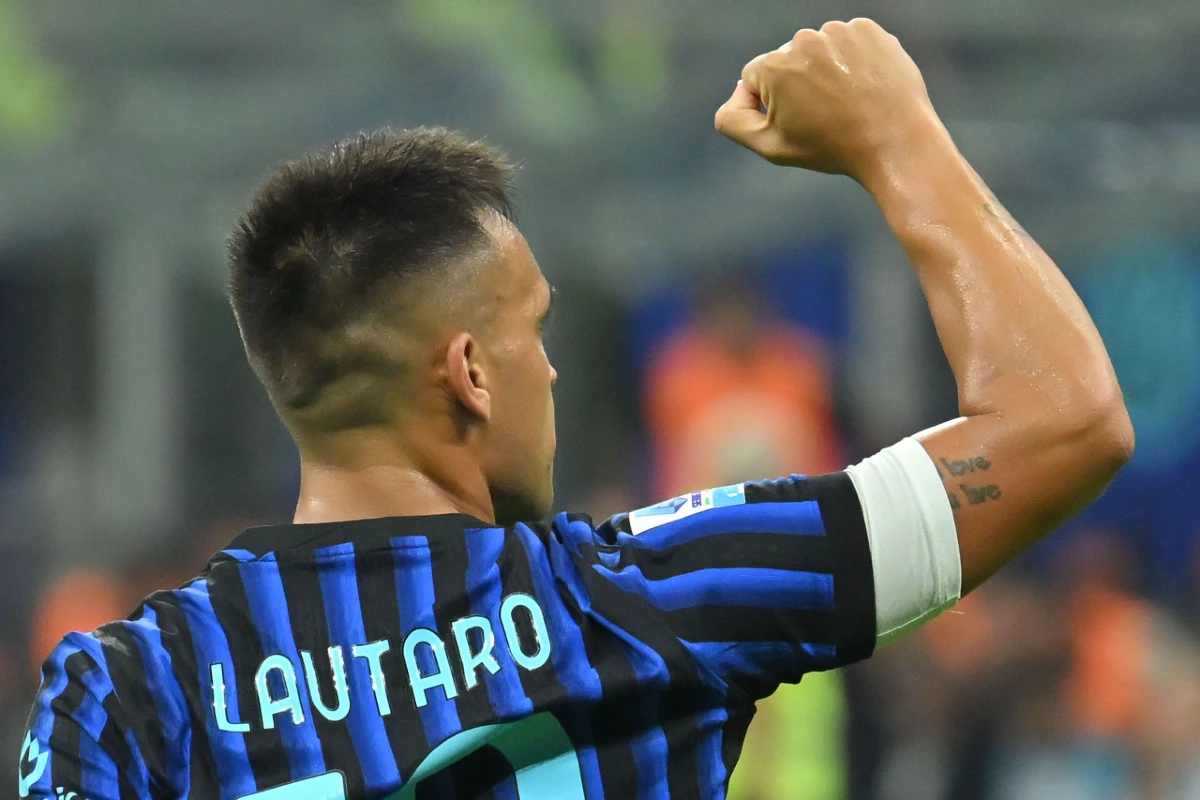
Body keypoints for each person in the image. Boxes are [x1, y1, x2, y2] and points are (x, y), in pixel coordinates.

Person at [19, 19, 1133, 800]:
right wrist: (898, 135)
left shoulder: (128, 690)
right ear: (470, 373)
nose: (550, 374)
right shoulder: (642, 598)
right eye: (536, 332)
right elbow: (1066, 422)